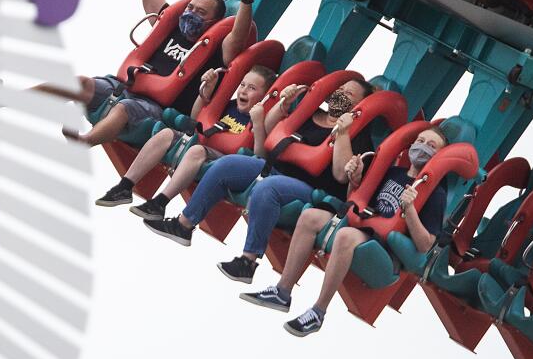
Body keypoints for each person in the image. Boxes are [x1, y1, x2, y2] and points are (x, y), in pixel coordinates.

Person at [47, 0, 272, 147]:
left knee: (124, 109)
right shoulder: (170, 25)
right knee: (79, 82)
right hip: (124, 87)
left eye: (200, 13)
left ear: (213, 23)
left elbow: (238, 37)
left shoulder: (216, 51)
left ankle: (85, 141)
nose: (191, 14)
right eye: (191, 8)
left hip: (158, 110)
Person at [144, 77, 376, 283]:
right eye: (340, 89)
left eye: (348, 94)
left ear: (359, 106)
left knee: (268, 188)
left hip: (309, 187)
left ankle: (248, 262)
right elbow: (266, 132)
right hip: (272, 168)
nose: (340, 95)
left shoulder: (358, 136)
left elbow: (339, 174)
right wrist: (283, 105)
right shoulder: (310, 113)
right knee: (227, 164)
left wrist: (343, 132)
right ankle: (183, 225)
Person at [240, 125, 449, 337]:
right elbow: (354, 199)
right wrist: (355, 179)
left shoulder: (435, 194)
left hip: (385, 246)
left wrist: (410, 209)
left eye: (431, 146)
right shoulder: (393, 173)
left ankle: (318, 312)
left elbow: (425, 244)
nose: (423, 147)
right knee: (310, 216)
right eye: (420, 141)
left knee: (345, 236)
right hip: (362, 223)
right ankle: (282, 292)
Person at [93, 65, 276, 212]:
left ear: (265, 95)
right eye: (242, 85)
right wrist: (204, 94)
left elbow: (260, 158)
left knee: (196, 151)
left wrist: (259, 124)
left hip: (226, 161)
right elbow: (196, 120)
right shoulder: (230, 106)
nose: (243, 91)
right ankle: (124, 186)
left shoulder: (263, 118)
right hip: (202, 145)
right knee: (166, 133)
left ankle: (159, 204)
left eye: (252, 88)